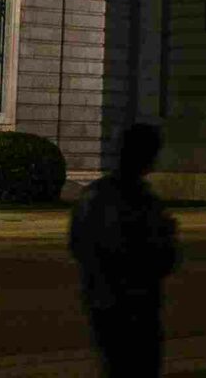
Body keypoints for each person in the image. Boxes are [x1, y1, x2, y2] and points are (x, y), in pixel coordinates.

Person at [70, 122, 180, 378]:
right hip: (132, 305)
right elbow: (160, 256)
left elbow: (77, 244)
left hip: (104, 302)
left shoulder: (94, 194)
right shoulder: (141, 200)